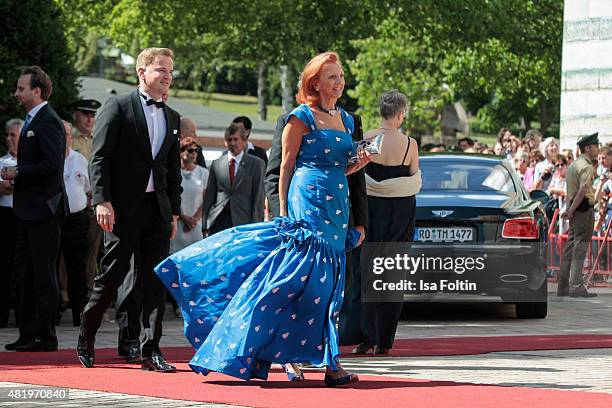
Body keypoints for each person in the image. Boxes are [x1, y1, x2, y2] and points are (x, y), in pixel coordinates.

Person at [155, 51, 371, 386]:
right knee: (299, 282)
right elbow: (285, 167)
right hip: (308, 202)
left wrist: (361, 161)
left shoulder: (346, 118)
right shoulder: (300, 117)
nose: (339, 81)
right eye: (331, 76)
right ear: (314, 81)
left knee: (327, 286)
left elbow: (342, 168)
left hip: (337, 207)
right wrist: (284, 212)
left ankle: (328, 363)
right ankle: (291, 355)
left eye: (341, 75)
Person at [77, 47, 182, 372]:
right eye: (161, 70)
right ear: (142, 72)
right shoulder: (118, 106)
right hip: (123, 208)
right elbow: (100, 156)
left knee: (155, 282)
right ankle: (86, 336)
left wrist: (174, 212)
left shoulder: (172, 117)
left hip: (158, 211)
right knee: (111, 275)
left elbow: (171, 169)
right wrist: (102, 201)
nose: (167, 76)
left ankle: (151, 350)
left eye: (169, 71)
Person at [3, 66, 68, 352]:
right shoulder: (32, 120)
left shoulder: (48, 121)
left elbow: (53, 165)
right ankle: (28, 333)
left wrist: (18, 171)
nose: (16, 93)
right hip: (28, 211)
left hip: (44, 211)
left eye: (21, 88)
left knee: (43, 275)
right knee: (25, 274)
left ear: (37, 91)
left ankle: (46, 335)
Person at [352, 90, 421, 355]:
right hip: (400, 215)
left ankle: (366, 337)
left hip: (370, 212)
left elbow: (356, 175)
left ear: (381, 112)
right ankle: (385, 341)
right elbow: (413, 181)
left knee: (367, 275)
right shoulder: (409, 144)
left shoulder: (367, 139)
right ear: (401, 114)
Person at [202, 123, 265, 235]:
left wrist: (256, 225)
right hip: (218, 219)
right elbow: (209, 196)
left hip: (243, 220)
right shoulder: (217, 164)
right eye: (229, 140)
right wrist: (205, 222)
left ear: (244, 141)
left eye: (236, 139)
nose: (232, 143)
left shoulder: (256, 164)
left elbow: (258, 196)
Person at [557, 132, 599, 298]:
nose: (598, 149)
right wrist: (572, 211)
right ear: (587, 148)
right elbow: (582, 191)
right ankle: (576, 286)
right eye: (596, 146)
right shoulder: (586, 166)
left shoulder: (574, 165)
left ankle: (563, 287)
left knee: (570, 249)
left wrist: (569, 210)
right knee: (579, 249)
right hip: (582, 211)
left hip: (574, 211)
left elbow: (569, 192)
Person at [58, 121, 91, 326]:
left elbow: (89, 189)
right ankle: (53, 312)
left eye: (68, 134)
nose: (65, 138)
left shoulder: (80, 159)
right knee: (52, 266)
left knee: (77, 267)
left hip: (77, 219)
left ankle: (80, 313)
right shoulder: (50, 157)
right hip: (53, 219)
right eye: (61, 134)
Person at [71, 99, 103, 292]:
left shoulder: (98, 139)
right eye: (85, 114)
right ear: (75, 114)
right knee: (71, 254)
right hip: (75, 205)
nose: (90, 119)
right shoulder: (68, 138)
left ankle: (89, 290)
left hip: (95, 203)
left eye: (93, 115)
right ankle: (66, 294)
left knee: (93, 251)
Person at [0, 119, 22, 328]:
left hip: (25, 217)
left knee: (23, 267)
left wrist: (12, 182)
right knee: (5, 265)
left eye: (13, 135)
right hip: (5, 217)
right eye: (7, 135)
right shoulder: (2, 161)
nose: (9, 139)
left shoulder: (30, 163)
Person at [172, 137, 209, 252]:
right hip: (177, 223)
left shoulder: (204, 173)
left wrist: (193, 220)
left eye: (196, 150)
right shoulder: (174, 172)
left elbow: (206, 199)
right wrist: (183, 217)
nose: (194, 153)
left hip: (195, 225)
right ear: (181, 152)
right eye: (190, 150)